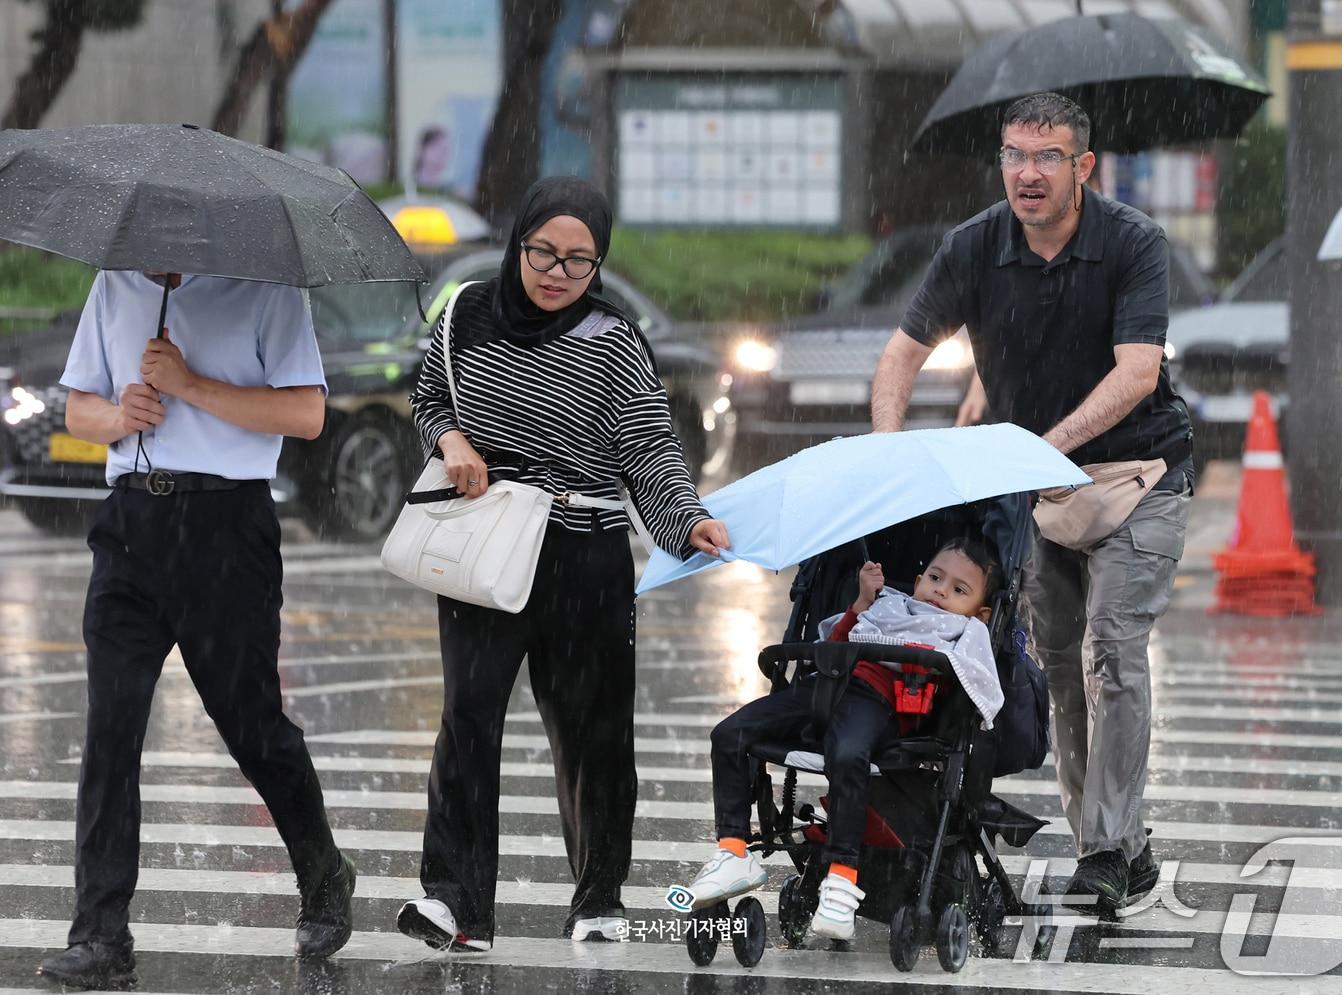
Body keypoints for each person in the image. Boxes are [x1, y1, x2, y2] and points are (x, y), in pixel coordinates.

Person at [871, 92, 1194, 915]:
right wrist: (889, 449)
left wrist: (1048, 443)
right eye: (1015, 155)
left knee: (1112, 647)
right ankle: (1116, 845)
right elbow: (902, 355)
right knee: (1055, 665)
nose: (1028, 172)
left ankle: (1109, 843)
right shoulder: (974, 247)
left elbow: (1137, 372)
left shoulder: (1133, 243)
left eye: (1048, 156)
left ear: (1084, 167)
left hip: (1140, 475)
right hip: (1038, 488)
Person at [397, 176, 730, 952]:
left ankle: (599, 898)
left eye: (580, 260)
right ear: (519, 241)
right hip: (485, 539)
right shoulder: (465, 315)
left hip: (585, 552)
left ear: (599, 265)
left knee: (594, 734)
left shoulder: (614, 339)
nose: (557, 271)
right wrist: (451, 443)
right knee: (467, 719)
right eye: (544, 250)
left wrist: (689, 519)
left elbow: (648, 448)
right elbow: (428, 397)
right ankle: (456, 902)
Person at [38, 272, 354, 990]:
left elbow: (306, 413)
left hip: (227, 528)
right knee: (110, 731)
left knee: (252, 725)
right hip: (130, 526)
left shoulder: (268, 285)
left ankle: (324, 869)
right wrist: (121, 416)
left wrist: (188, 383)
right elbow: (79, 408)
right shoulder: (114, 284)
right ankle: (100, 932)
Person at [688, 538, 1004, 940]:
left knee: (847, 754)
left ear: (981, 610)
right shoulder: (888, 604)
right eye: (936, 579)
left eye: (959, 590)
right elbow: (832, 647)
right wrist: (860, 605)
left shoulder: (967, 629)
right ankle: (733, 848)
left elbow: (979, 688)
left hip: (881, 699)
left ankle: (841, 877)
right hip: (827, 686)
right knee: (729, 734)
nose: (941, 591)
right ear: (919, 579)